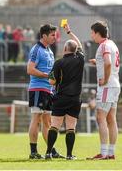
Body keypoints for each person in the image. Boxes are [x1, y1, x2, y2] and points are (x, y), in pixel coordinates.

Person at [45, 22, 84, 160]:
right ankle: (69, 155)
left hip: (61, 98)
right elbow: (79, 44)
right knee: (71, 128)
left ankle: (48, 153)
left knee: (54, 126)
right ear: (76, 50)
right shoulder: (80, 59)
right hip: (75, 99)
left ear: (65, 49)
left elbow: (51, 81)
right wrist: (69, 32)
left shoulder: (58, 63)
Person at [27, 24, 64, 159]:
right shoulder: (36, 50)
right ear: (44, 36)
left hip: (48, 90)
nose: (55, 37)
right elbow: (30, 69)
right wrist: (46, 75)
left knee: (47, 122)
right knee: (36, 119)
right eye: (52, 35)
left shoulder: (49, 50)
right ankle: (33, 151)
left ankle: (51, 150)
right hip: (38, 89)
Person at [87, 20, 120, 160]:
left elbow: (108, 63)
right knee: (111, 119)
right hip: (115, 84)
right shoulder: (112, 44)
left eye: (92, 32)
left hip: (107, 86)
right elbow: (107, 62)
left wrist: (105, 80)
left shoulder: (104, 45)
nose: (91, 35)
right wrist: (97, 62)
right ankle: (111, 153)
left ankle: (103, 153)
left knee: (101, 117)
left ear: (96, 32)